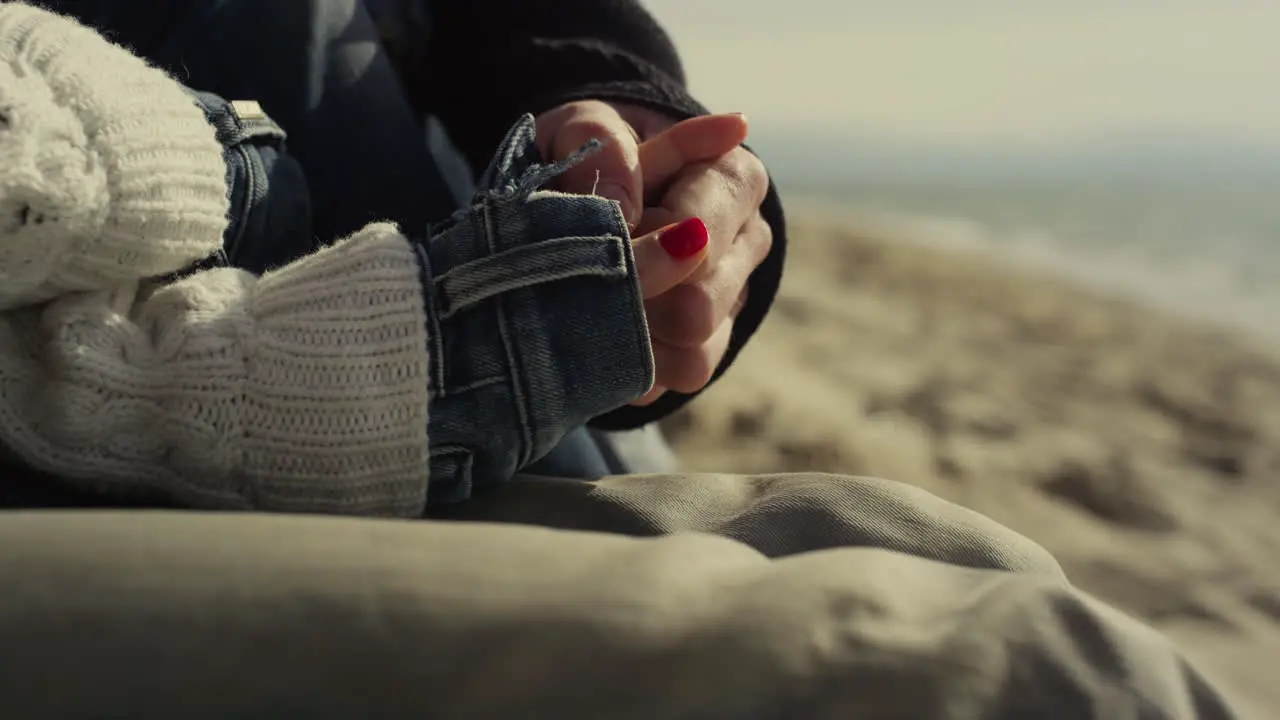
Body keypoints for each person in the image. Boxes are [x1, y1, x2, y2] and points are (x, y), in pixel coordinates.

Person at [0, 4, 1243, 717]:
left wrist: (624, 122)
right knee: (1046, 685)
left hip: (393, 394)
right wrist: (332, 321)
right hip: (108, 439)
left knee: (965, 560)